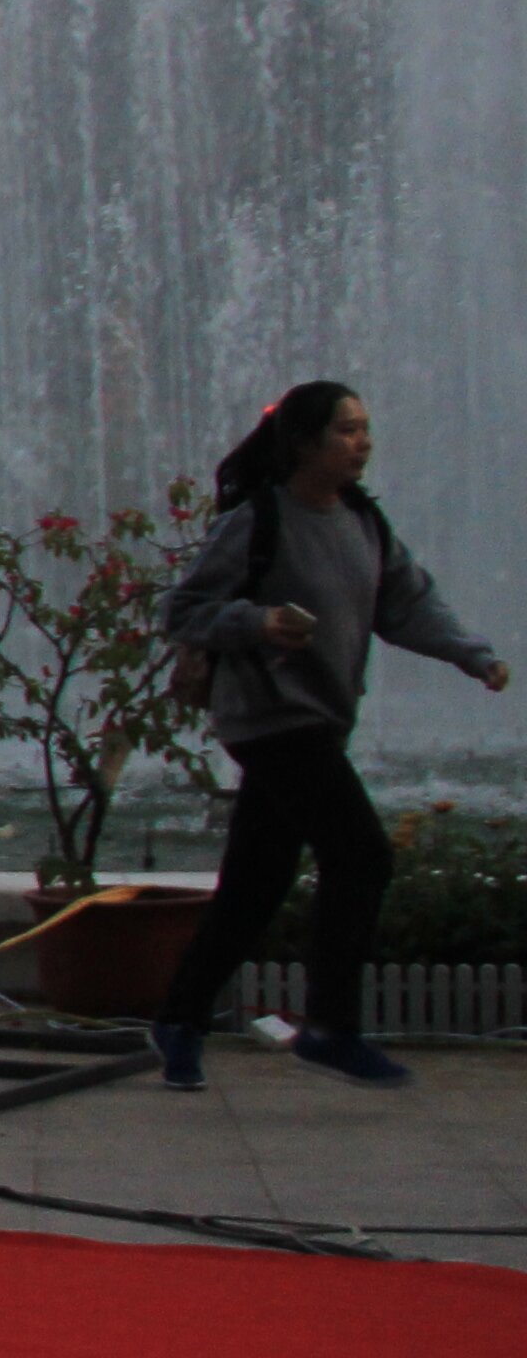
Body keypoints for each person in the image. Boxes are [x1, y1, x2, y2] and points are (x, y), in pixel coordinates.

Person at [147, 381, 507, 1089]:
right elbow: (184, 610)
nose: (362, 443)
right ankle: (331, 1028)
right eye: (346, 431)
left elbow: (408, 604)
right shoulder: (259, 521)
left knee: (256, 884)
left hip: (321, 718)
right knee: (362, 855)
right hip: (269, 717)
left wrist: (474, 655)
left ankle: (178, 1020)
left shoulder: (365, 523)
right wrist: (258, 622)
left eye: (366, 429)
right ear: (306, 443)